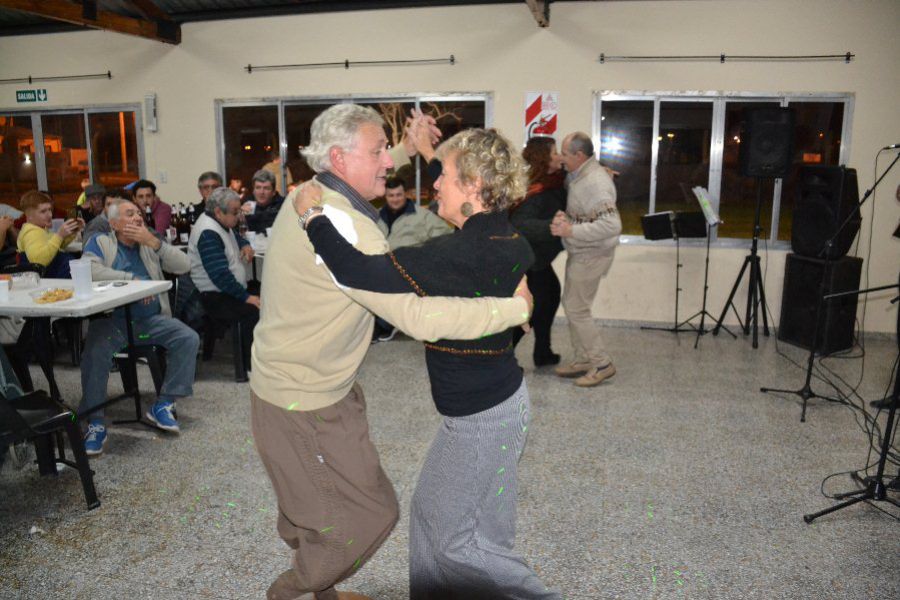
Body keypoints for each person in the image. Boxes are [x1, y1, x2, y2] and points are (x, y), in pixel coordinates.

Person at [251, 104, 533, 600]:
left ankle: (322, 589)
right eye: (379, 151)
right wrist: (512, 310)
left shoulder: (309, 192)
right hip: (299, 394)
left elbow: (369, 176)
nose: (391, 162)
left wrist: (407, 148)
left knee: (328, 506)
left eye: (389, 149)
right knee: (349, 514)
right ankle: (294, 592)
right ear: (338, 159)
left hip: (328, 386)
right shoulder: (340, 223)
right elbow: (417, 316)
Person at [78, 199, 199, 455]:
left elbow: (184, 265)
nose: (137, 218)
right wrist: (131, 281)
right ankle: (96, 422)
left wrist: (155, 242)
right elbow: (88, 269)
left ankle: (164, 403)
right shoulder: (101, 242)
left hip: (150, 321)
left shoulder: (148, 244)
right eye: (129, 214)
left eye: (139, 214)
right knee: (95, 351)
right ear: (114, 224)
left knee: (188, 338)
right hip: (114, 321)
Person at [551, 131, 621, 387]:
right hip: (581, 251)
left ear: (580, 155)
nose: (561, 158)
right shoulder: (581, 174)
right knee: (572, 305)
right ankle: (582, 359)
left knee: (577, 309)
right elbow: (584, 212)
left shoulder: (595, 182)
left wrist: (571, 230)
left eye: (565, 154)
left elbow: (612, 225)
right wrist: (567, 218)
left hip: (592, 254)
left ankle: (602, 364)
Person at [188, 186, 258, 381]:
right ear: (219, 211)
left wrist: (244, 244)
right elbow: (220, 276)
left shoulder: (219, 222)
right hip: (214, 296)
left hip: (225, 290)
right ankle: (249, 367)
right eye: (235, 212)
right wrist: (246, 297)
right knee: (254, 311)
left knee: (267, 292)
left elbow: (232, 233)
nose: (239, 216)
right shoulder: (207, 233)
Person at [509, 136, 567, 367]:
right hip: (529, 259)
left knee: (550, 297)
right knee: (533, 309)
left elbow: (573, 177)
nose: (559, 157)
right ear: (544, 159)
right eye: (554, 153)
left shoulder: (552, 182)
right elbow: (520, 224)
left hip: (539, 258)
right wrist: (551, 226)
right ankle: (504, 357)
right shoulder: (536, 190)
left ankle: (543, 352)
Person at [372, 176, 452, 342]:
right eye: (391, 195)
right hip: (382, 264)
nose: (395, 199)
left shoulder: (422, 216)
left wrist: (423, 254)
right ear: (385, 196)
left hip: (409, 265)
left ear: (406, 194)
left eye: (399, 195)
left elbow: (445, 236)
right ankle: (378, 322)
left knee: (392, 284)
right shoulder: (376, 217)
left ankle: (385, 324)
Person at [16, 190, 83, 277]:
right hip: (46, 283)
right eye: (43, 211)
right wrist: (59, 235)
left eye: (50, 210)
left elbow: (55, 247)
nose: (50, 215)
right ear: (29, 216)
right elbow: (38, 262)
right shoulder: (31, 232)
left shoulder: (40, 229)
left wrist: (71, 231)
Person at [241, 169, 284, 233]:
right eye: (258, 187)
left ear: (274, 192)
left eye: (266, 188)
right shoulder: (247, 202)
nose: (261, 192)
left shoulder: (283, 204)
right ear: (253, 190)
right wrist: (239, 215)